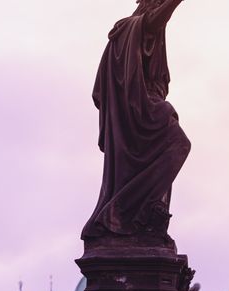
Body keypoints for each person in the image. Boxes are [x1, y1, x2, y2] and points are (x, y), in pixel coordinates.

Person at [82, 0, 191, 240]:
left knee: (172, 146)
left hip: (141, 109)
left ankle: (143, 210)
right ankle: (125, 209)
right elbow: (154, 21)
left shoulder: (139, 32)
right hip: (138, 110)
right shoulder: (134, 27)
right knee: (178, 144)